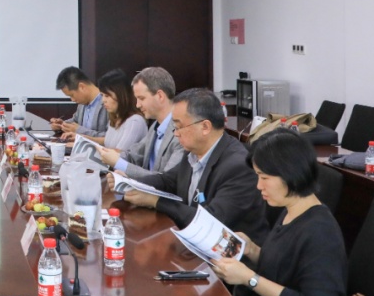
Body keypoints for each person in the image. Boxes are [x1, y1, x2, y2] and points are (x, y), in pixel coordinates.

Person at [212, 129, 347, 296]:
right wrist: (252, 250)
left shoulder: (320, 233)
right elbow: (285, 267)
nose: (258, 186)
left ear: (289, 174)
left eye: (264, 177)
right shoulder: (290, 210)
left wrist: (250, 279)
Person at [114, 88, 269, 243]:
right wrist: (129, 182)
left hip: (226, 251)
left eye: (179, 127)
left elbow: (209, 221)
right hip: (193, 241)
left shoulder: (238, 167)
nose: (176, 134)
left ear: (205, 127)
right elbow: (168, 180)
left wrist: (156, 201)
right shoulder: (194, 152)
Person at [99, 67, 185, 178]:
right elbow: (133, 155)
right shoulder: (155, 126)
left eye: (142, 98)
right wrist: (105, 155)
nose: (137, 105)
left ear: (160, 96)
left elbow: (166, 180)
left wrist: (119, 163)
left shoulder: (182, 132)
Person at [94, 69, 148, 152]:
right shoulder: (114, 118)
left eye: (107, 96)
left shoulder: (134, 122)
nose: (103, 100)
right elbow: (108, 142)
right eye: (102, 95)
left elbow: (119, 154)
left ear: (120, 95)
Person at [50, 66, 108, 140]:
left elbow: (110, 138)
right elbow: (76, 121)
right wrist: (62, 125)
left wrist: (79, 131)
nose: (72, 100)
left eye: (72, 95)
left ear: (81, 87)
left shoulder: (108, 102)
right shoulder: (82, 103)